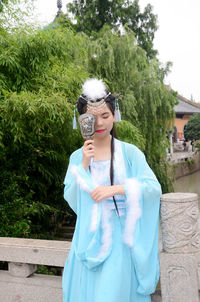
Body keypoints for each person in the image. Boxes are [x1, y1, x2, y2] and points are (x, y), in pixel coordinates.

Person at [62, 78, 162, 302]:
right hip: (87, 236)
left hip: (120, 236)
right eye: (92, 117)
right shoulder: (77, 157)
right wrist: (84, 165)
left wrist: (116, 189)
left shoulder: (130, 153)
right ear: (81, 120)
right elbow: (71, 197)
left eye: (105, 116)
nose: (99, 123)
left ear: (114, 115)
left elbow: (153, 188)